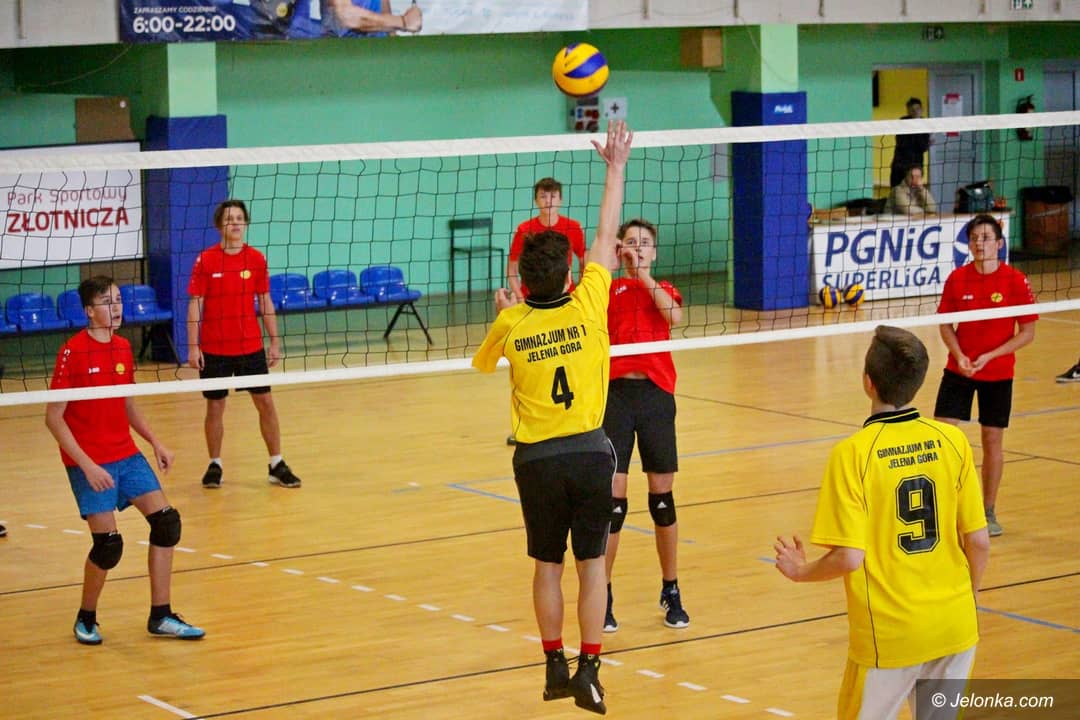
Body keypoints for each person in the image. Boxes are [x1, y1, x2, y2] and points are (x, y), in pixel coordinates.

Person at [472, 120, 633, 715]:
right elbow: (607, 233)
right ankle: (589, 667)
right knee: (592, 567)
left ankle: (552, 665)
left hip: (536, 460)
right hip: (590, 452)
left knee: (547, 564)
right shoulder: (590, 302)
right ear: (570, 275)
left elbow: (484, 365)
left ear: (522, 280)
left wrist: (506, 312)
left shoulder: (511, 322)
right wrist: (615, 167)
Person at [774, 325, 990, 720]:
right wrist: (968, 599)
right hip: (955, 625)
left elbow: (849, 558)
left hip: (890, 636)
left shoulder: (852, 455)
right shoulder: (953, 441)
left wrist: (800, 571)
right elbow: (978, 542)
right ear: (918, 384)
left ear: (867, 383)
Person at [45, 276, 205, 645]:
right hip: (89, 461)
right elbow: (53, 418)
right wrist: (87, 465)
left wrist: (155, 442)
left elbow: (128, 404)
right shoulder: (72, 351)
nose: (116, 307)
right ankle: (86, 617)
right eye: (107, 301)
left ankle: (161, 616)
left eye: (118, 300)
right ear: (89, 311)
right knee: (108, 546)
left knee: (167, 524)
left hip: (126, 454)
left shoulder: (123, 348)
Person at [601, 218, 688, 634]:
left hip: (655, 396)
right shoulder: (608, 290)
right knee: (613, 504)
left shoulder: (663, 287)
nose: (637, 248)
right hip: (615, 397)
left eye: (644, 243)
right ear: (620, 249)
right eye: (630, 242)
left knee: (662, 500)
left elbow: (675, 316)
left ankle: (671, 588)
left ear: (654, 252)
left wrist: (643, 275)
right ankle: (602, 593)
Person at [187, 199, 302, 489]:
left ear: (246, 224)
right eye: (229, 219)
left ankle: (276, 463)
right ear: (219, 226)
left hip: (250, 347)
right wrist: (193, 346)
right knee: (215, 407)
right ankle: (215, 464)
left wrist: (274, 341)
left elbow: (265, 301)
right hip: (215, 348)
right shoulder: (205, 260)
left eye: (240, 218)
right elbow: (195, 303)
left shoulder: (256, 259)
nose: (235, 223)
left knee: (266, 403)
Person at [935, 213, 1037, 537]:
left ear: (999, 243)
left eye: (986, 238)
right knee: (943, 437)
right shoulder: (957, 279)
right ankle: (944, 507)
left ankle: (988, 511)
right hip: (959, 369)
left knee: (992, 440)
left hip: (998, 373)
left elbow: (1028, 332)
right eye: (974, 238)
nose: (980, 243)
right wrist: (960, 355)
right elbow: (945, 325)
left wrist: (991, 356)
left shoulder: (1015, 280)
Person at [505, 177, 587, 445]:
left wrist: (581, 294)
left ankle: (570, 418)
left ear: (560, 199)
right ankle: (524, 424)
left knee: (567, 359)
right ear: (536, 200)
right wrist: (519, 297)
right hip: (532, 305)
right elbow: (512, 270)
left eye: (552, 196)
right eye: (543, 196)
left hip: (564, 304)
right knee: (528, 365)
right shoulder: (525, 230)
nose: (548, 201)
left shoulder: (573, 228)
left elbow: (585, 264)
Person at [889, 97, 931, 188]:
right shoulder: (902, 122)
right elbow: (902, 143)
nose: (915, 112)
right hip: (900, 166)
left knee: (914, 192)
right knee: (896, 192)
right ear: (908, 111)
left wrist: (926, 143)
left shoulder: (925, 124)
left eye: (917, 109)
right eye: (912, 109)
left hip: (916, 166)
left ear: (921, 109)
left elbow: (923, 147)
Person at [325, 0, 422, 36]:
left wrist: (392, 35)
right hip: (343, 53)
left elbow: (382, 5)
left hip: (376, 50)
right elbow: (346, 17)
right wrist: (403, 22)